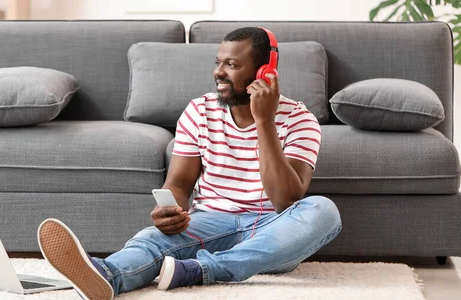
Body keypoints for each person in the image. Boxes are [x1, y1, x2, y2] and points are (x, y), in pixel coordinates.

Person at [36, 27, 342, 300]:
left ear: (264, 73)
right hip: (210, 221)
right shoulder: (199, 110)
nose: (219, 72)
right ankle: (107, 275)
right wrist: (170, 211)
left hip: (274, 233)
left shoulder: (300, 120)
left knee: (323, 212)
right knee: (152, 239)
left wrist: (264, 122)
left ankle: (202, 269)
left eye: (232, 65)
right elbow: (180, 183)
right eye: (218, 62)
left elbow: (285, 199)